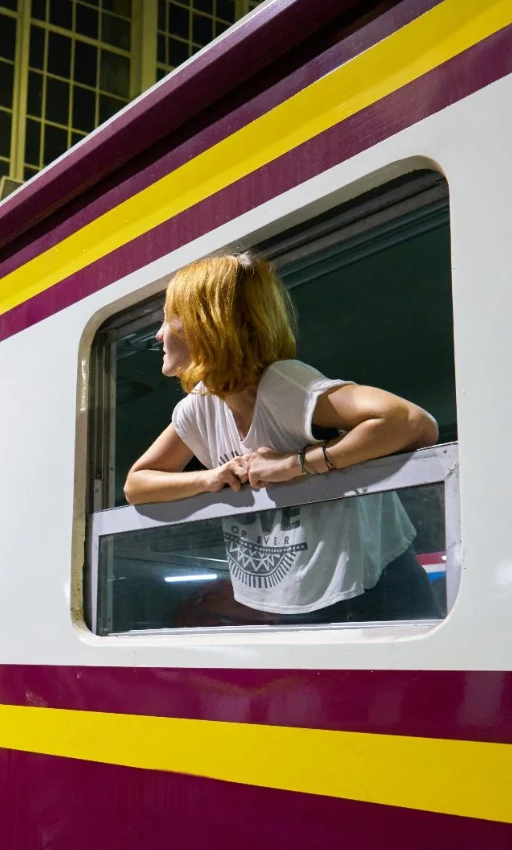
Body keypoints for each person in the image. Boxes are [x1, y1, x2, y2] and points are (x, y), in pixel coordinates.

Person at [125, 252, 440, 623]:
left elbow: (411, 422)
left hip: (377, 584)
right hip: (299, 591)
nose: (159, 334)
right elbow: (136, 484)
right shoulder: (200, 405)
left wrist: (295, 465)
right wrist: (211, 478)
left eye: (168, 318)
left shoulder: (280, 384)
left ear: (204, 324)